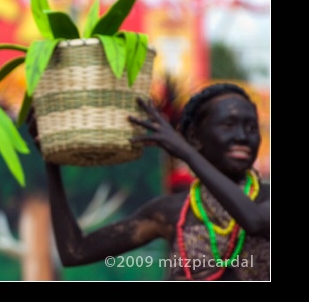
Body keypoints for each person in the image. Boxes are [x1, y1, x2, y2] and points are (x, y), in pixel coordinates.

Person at [38, 83, 269, 281]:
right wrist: (52, 164)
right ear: (195, 138)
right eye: (228, 125)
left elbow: (255, 221)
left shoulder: (266, 199)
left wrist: (186, 153)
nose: (242, 136)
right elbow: (75, 252)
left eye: (251, 128)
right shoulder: (172, 211)